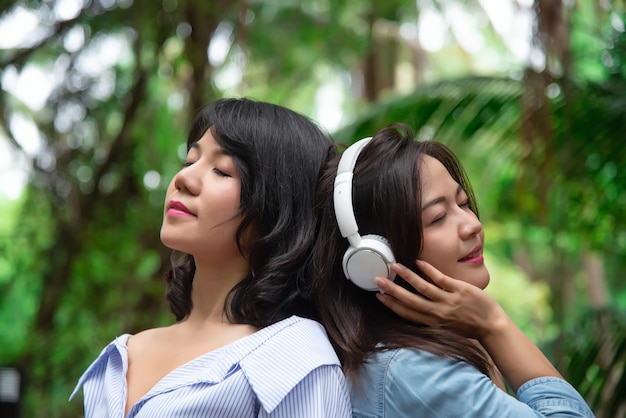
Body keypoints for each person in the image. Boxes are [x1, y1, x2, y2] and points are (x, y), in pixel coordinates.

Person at [70, 98, 352, 417]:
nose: (184, 180)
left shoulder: (296, 361)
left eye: (222, 170)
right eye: (190, 161)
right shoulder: (125, 353)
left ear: (278, 207)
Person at [312, 122, 594, 417]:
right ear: (373, 258)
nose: (473, 225)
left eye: (464, 203)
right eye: (438, 217)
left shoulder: (431, 347)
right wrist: (494, 324)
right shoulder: (415, 373)